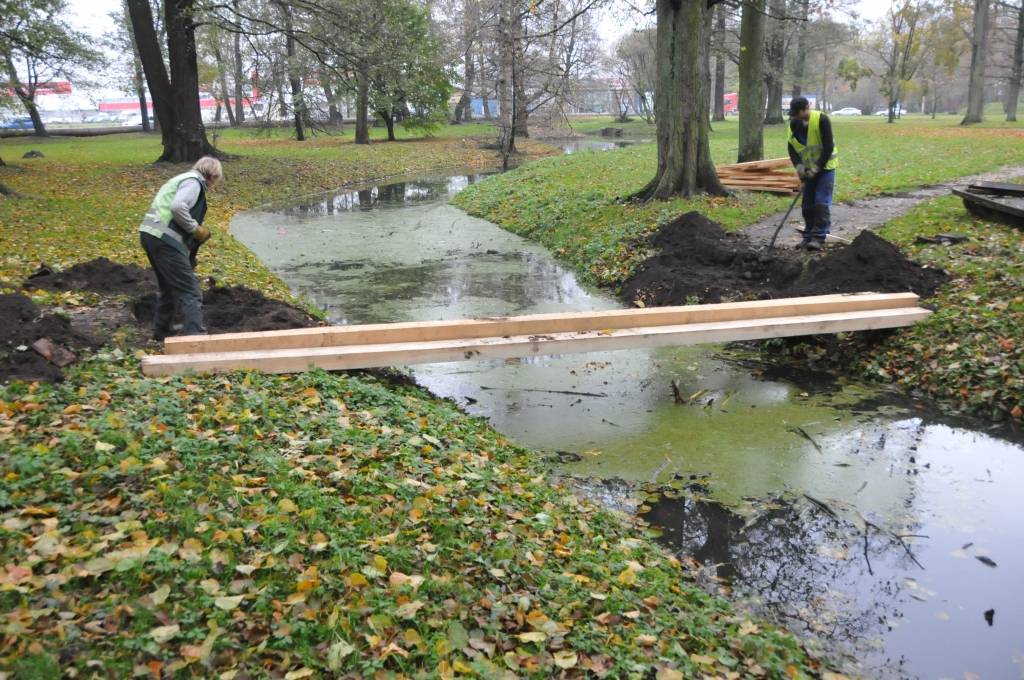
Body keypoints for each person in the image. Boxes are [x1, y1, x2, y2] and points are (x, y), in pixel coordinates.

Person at [138, 156, 223, 340]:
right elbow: (178, 208)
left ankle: (162, 330)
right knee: (190, 289)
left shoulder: (181, 179)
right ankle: (195, 336)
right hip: (163, 239)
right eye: (216, 179)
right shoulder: (194, 183)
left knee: (168, 286)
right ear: (211, 175)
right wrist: (195, 228)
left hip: (151, 235)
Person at [787, 97, 837, 251]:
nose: (797, 116)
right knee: (807, 205)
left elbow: (828, 147)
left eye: (799, 112)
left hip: (826, 167)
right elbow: (792, 148)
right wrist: (800, 168)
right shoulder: (794, 124)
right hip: (808, 170)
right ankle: (807, 236)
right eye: (795, 113)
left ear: (806, 107)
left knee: (821, 202)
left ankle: (818, 237)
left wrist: (817, 168)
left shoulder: (822, 120)